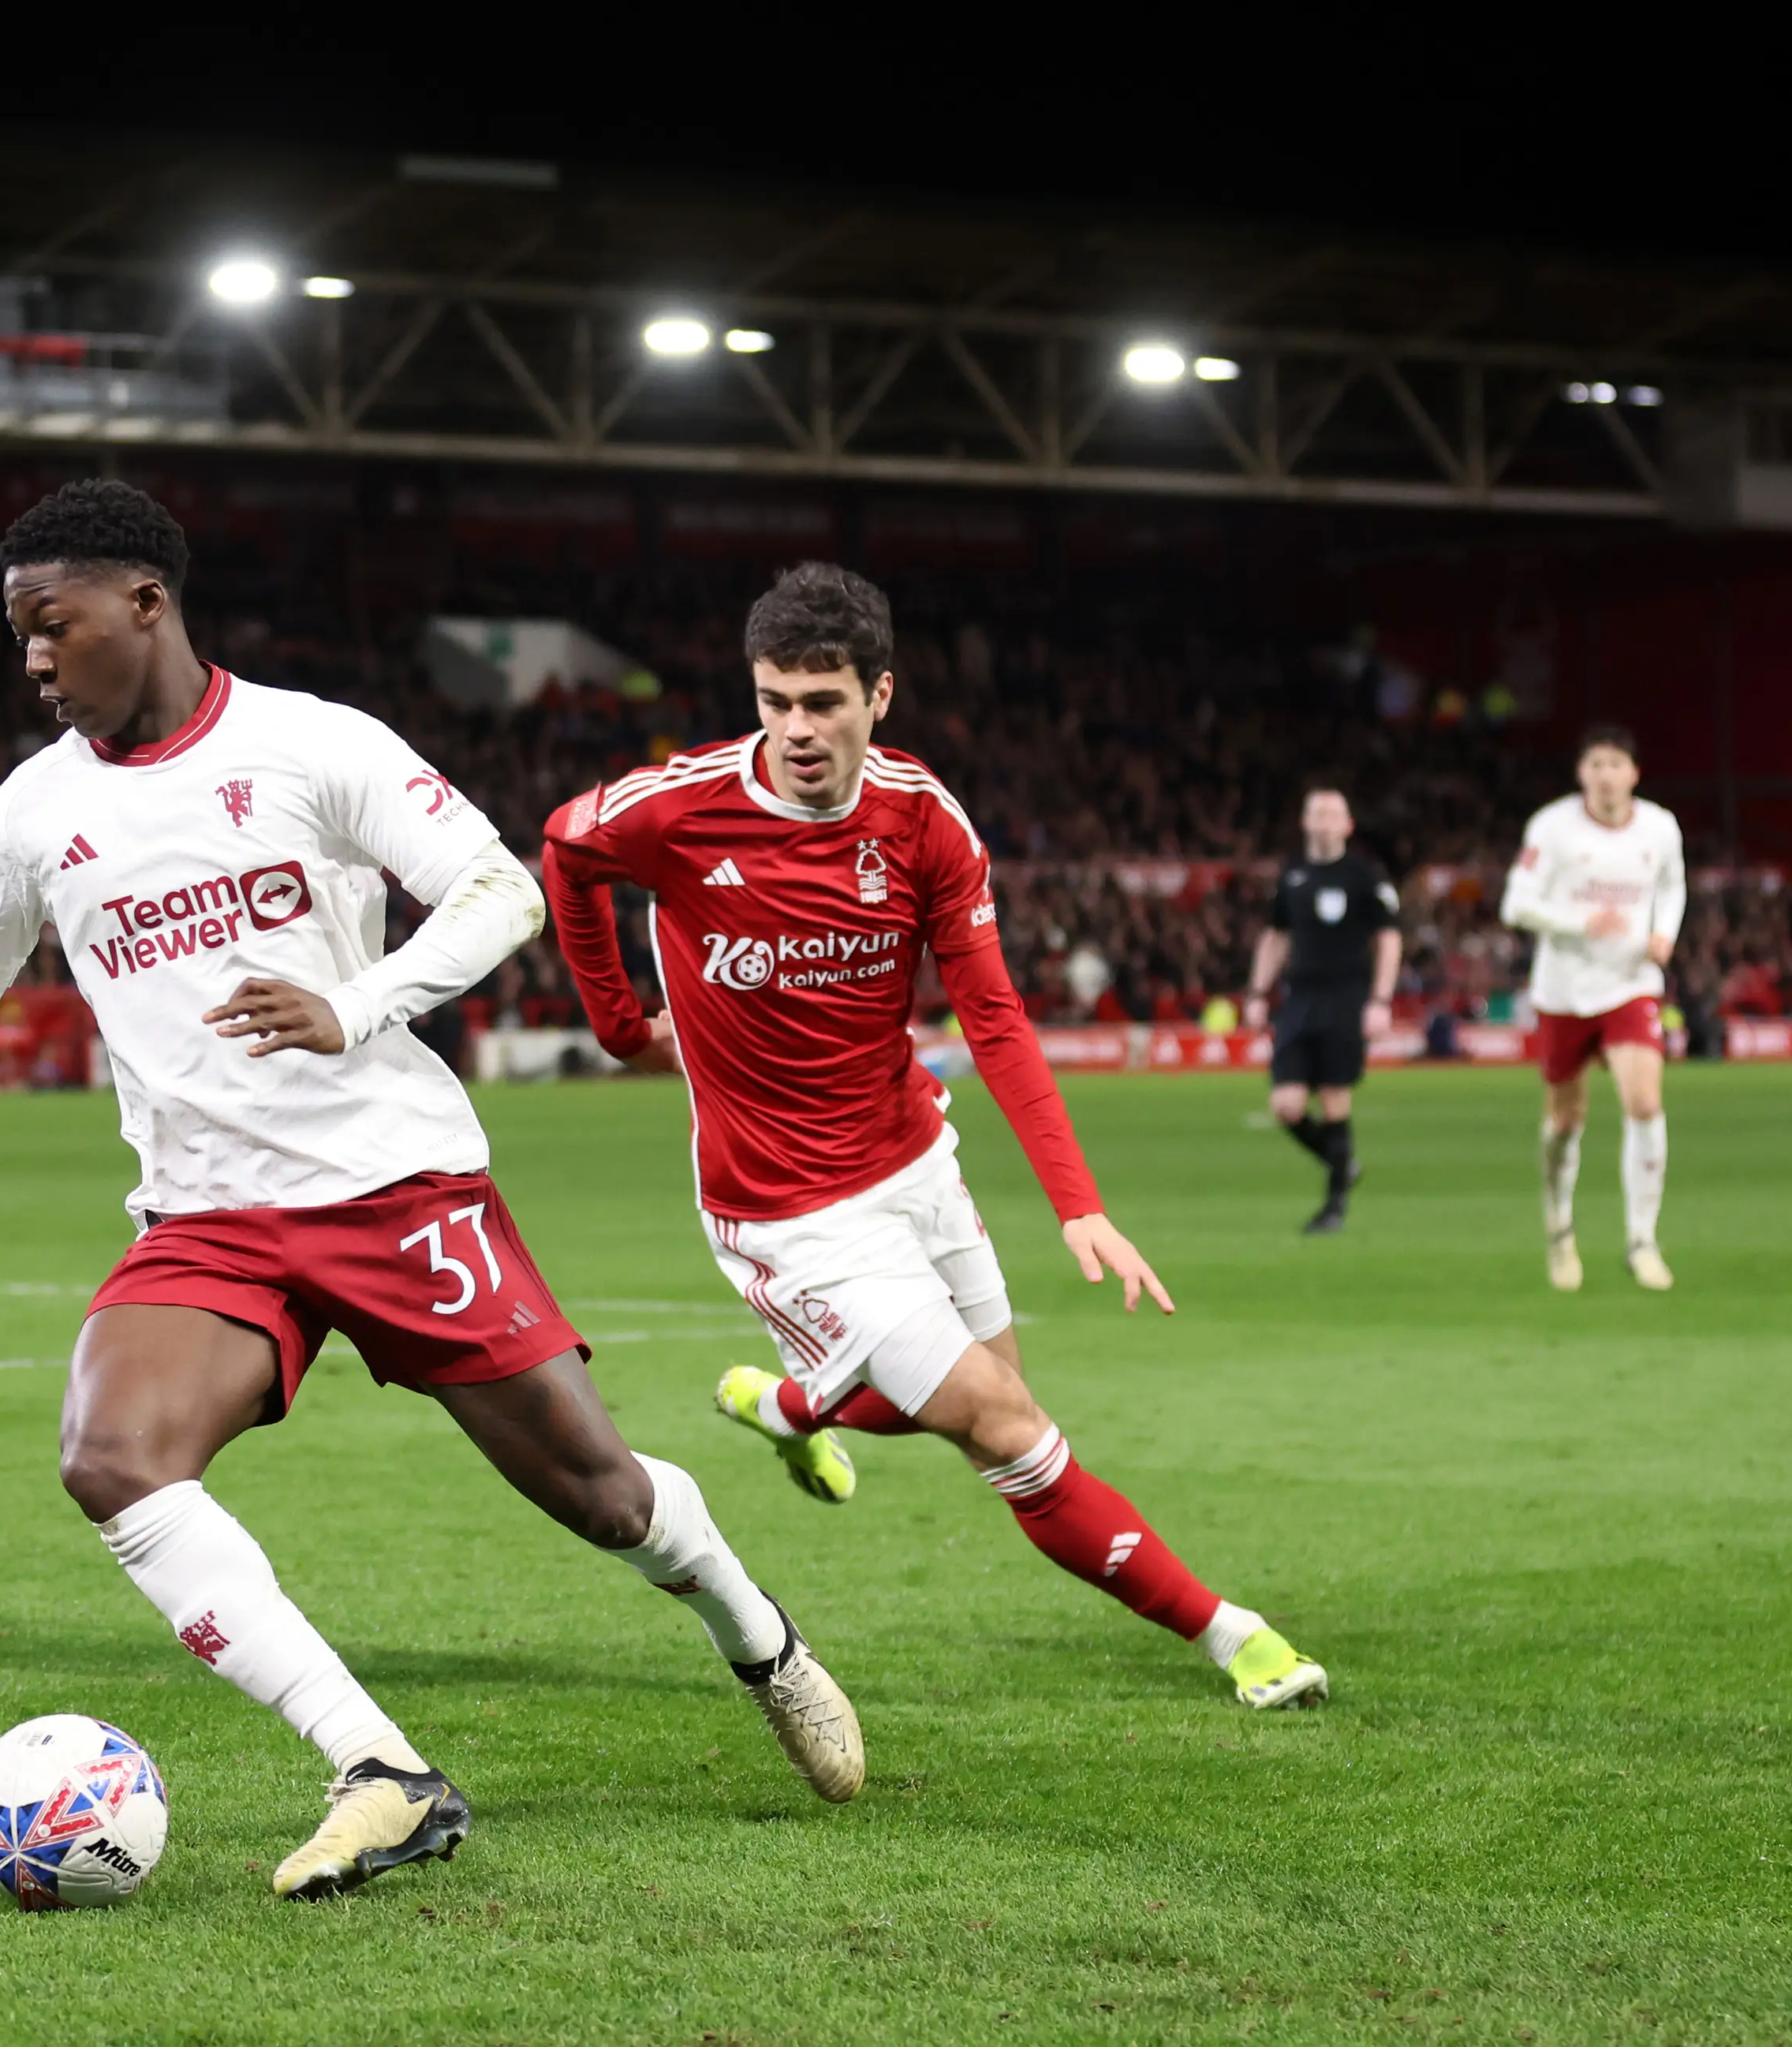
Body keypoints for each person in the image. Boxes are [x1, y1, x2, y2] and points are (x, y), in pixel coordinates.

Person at [0, 481, 861, 1902]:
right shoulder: (35, 811)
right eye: (17, 634)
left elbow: (497, 892)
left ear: (145, 604)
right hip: (206, 1216)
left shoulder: (311, 744)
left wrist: (355, 1005)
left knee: (602, 1495)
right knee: (111, 1457)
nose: (31, 658)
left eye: (48, 625)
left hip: (392, 1183)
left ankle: (759, 1638)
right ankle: (381, 1769)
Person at [540, 561, 1329, 1714]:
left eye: (823, 701)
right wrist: (618, 1023)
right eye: (774, 700)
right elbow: (565, 851)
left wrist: (1079, 1202)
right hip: (787, 1210)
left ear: (881, 695)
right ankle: (1235, 1633)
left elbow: (996, 1016)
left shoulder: (923, 821)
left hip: (913, 1159)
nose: (795, 729)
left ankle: (793, 1405)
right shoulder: (680, 805)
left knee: (992, 1392)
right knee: (1008, 1427)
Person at [1499, 724, 1686, 1292]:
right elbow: (1516, 904)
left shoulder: (1660, 826)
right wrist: (1580, 922)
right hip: (1563, 989)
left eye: (1616, 763)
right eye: (1595, 764)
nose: (1605, 774)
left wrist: (1663, 932)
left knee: (1645, 1101)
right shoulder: (1552, 827)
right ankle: (1560, 1229)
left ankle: (1642, 1240)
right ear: (1582, 773)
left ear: (1634, 772)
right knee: (1564, 1120)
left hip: (1630, 981)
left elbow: (1673, 885)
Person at [1243, 788, 1402, 1233]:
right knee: (1286, 1105)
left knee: (1334, 1098)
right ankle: (1343, 1164)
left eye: (1334, 814)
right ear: (1305, 822)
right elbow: (1276, 936)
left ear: (1348, 825)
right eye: (1318, 813)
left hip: (1347, 997)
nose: (1325, 820)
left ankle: (1334, 1208)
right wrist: (1257, 992)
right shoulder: (1292, 875)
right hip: (1299, 998)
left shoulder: (1365, 876)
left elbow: (1389, 939)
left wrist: (1381, 1000)